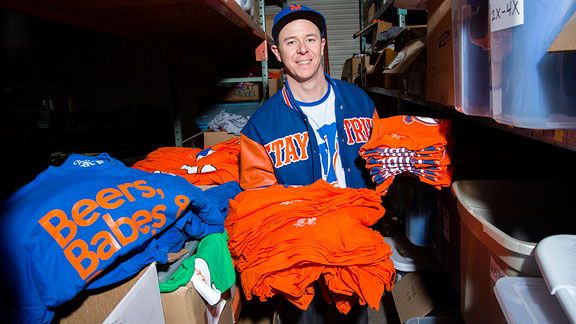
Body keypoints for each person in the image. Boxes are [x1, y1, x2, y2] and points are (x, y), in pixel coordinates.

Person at [239, 4, 379, 323]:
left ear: (322, 44)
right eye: (291, 42)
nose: (303, 49)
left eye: (310, 39)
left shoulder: (360, 103)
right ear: (277, 52)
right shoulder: (260, 128)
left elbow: (380, 171)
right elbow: (258, 206)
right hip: (299, 262)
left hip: (352, 250)